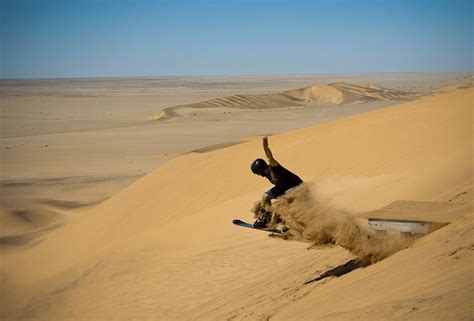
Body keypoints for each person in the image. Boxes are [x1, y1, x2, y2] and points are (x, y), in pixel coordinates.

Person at [251, 136, 303, 228]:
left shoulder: (273, 167)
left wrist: (265, 146)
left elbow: (269, 157)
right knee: (265, 196)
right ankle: (266, 219)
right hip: (284, 188)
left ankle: (291, 224)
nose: (258, 175)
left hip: (297, 187)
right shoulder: (267, 174)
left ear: (260, 170)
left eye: (257, 173)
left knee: (282, 203)